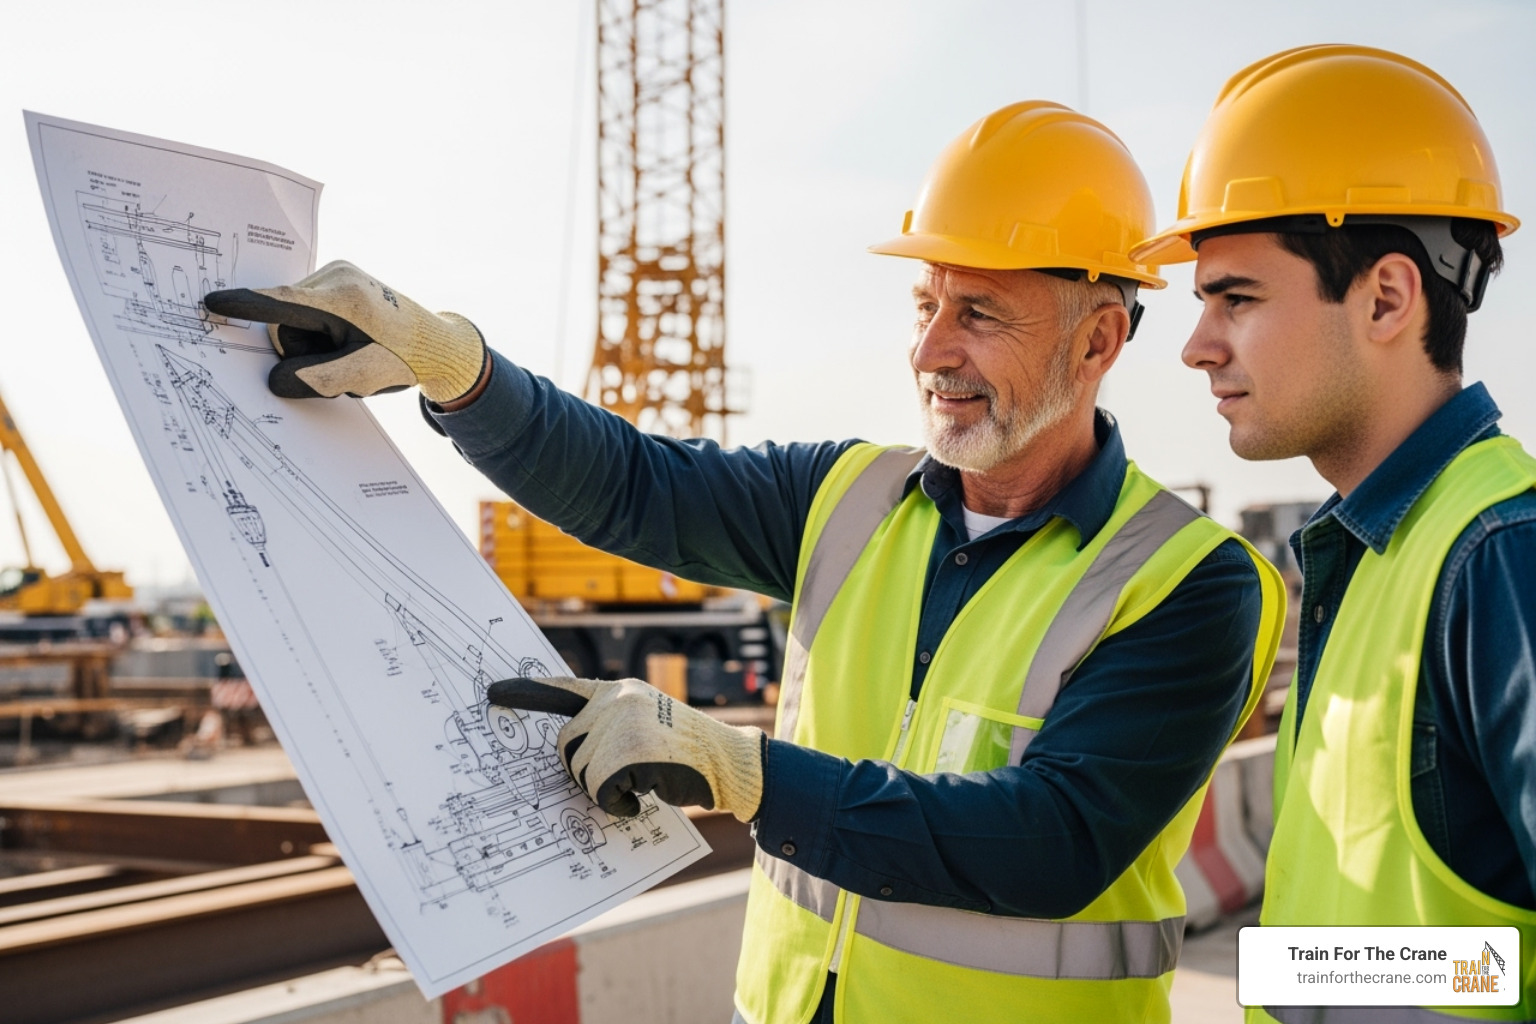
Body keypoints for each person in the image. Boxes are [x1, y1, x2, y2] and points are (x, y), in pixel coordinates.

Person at [206, 101, 1285, 1024]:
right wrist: (458, 369)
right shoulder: (847, 498)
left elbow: (1051, 840)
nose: (929, 351)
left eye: (979, 313)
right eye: (925, 304)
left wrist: (744, 771)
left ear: (1098, 342)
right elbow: (636, 484)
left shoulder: (1191, 582)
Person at [1130, 44, 1536, 1022]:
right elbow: (1469, 958)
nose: (1196, 346)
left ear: (1387, 298)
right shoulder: (1369, 553)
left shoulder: (1499, 555)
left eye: (1237, 298)